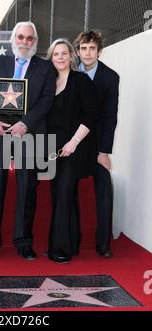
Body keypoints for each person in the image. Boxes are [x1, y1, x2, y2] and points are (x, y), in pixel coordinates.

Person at [0, 21, 56, 260]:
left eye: (29, 38)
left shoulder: (44, 68)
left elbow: (46, 100)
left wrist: (26, 124)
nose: (24, 42)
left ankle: (23, 241)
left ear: (35, 42)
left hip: (29, 135)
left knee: (26, 189)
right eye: (21, 37)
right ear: (13, 39)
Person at [46, 39, 98, 263]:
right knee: (60, 194)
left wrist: (73, 143)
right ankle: (72, 241)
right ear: (51, 57)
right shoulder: (49, 82)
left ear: (71, 56)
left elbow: (91, 115)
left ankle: (60, 249)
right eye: (56, 54)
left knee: (65, 192)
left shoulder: (81, 80)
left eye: (64, 53)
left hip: (73, 148)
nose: (60, 57)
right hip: (51, 150)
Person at [74, 31, 120, 258]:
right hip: (73, 142)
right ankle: (72, 238)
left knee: (104, 191)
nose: (88, 53)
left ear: (100, 51)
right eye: (83, 48)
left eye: (92, 48)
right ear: (78, 51)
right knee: (68, 189)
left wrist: (104, 151)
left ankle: (104, 243)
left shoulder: (111, 77)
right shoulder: (68, 73)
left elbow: (111, 116)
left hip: (98, 144)